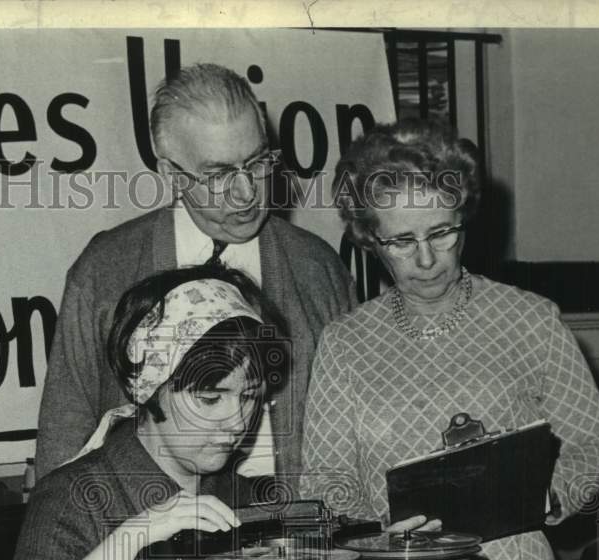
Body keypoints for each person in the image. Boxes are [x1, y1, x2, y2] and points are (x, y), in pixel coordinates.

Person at [300, 119, 599, 560]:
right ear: (369, 238)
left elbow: (593, 441)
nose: (426, 259)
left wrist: (549, 495)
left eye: (442, 233)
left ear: (463, 219)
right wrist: (381, 532)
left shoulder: (529, 318)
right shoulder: (345, 342)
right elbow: (325, 479)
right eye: (402, 241)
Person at [34, 63, 357, 489]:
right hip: (154, 533)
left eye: (258, 164)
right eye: (219, 174)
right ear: (171, 174)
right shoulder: (105, 269)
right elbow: (65, 435)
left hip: (296, 526)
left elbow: (359, 420)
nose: (246, 193)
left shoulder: (317, 267)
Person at [3, 266, 283, 560]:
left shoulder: (244, 495)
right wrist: (136, 533)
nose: (237, 422)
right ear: (149, 388)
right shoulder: (75, 496)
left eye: (249, 397)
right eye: (209, 399)